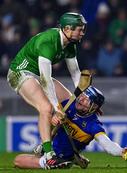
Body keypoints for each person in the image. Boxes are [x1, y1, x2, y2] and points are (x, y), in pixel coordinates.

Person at [7, 12, 87, 161]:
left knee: (70, 107)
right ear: (68, 29)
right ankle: (49, 155)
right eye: (80, 29)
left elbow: (76, 74)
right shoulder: (48, 42)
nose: (82, 33)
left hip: (39, 75)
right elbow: (45, 80)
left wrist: (83, 97)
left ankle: (58, 149)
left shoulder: (70, 44)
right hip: (19, 73)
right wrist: (57, 107)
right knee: (47, 108)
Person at [14, 86, 127, 170]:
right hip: (51, 149)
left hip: (61, 158)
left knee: (18, 160)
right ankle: (68, 155)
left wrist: (122, 152)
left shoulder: (93, 125)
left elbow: (108, 145)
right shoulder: (69, 104)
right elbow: (49, 114)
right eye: (82, 96)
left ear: (93, 107)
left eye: (87, 100)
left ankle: (58, 162)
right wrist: (55, 116)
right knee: (50, 117)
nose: (81, 99)